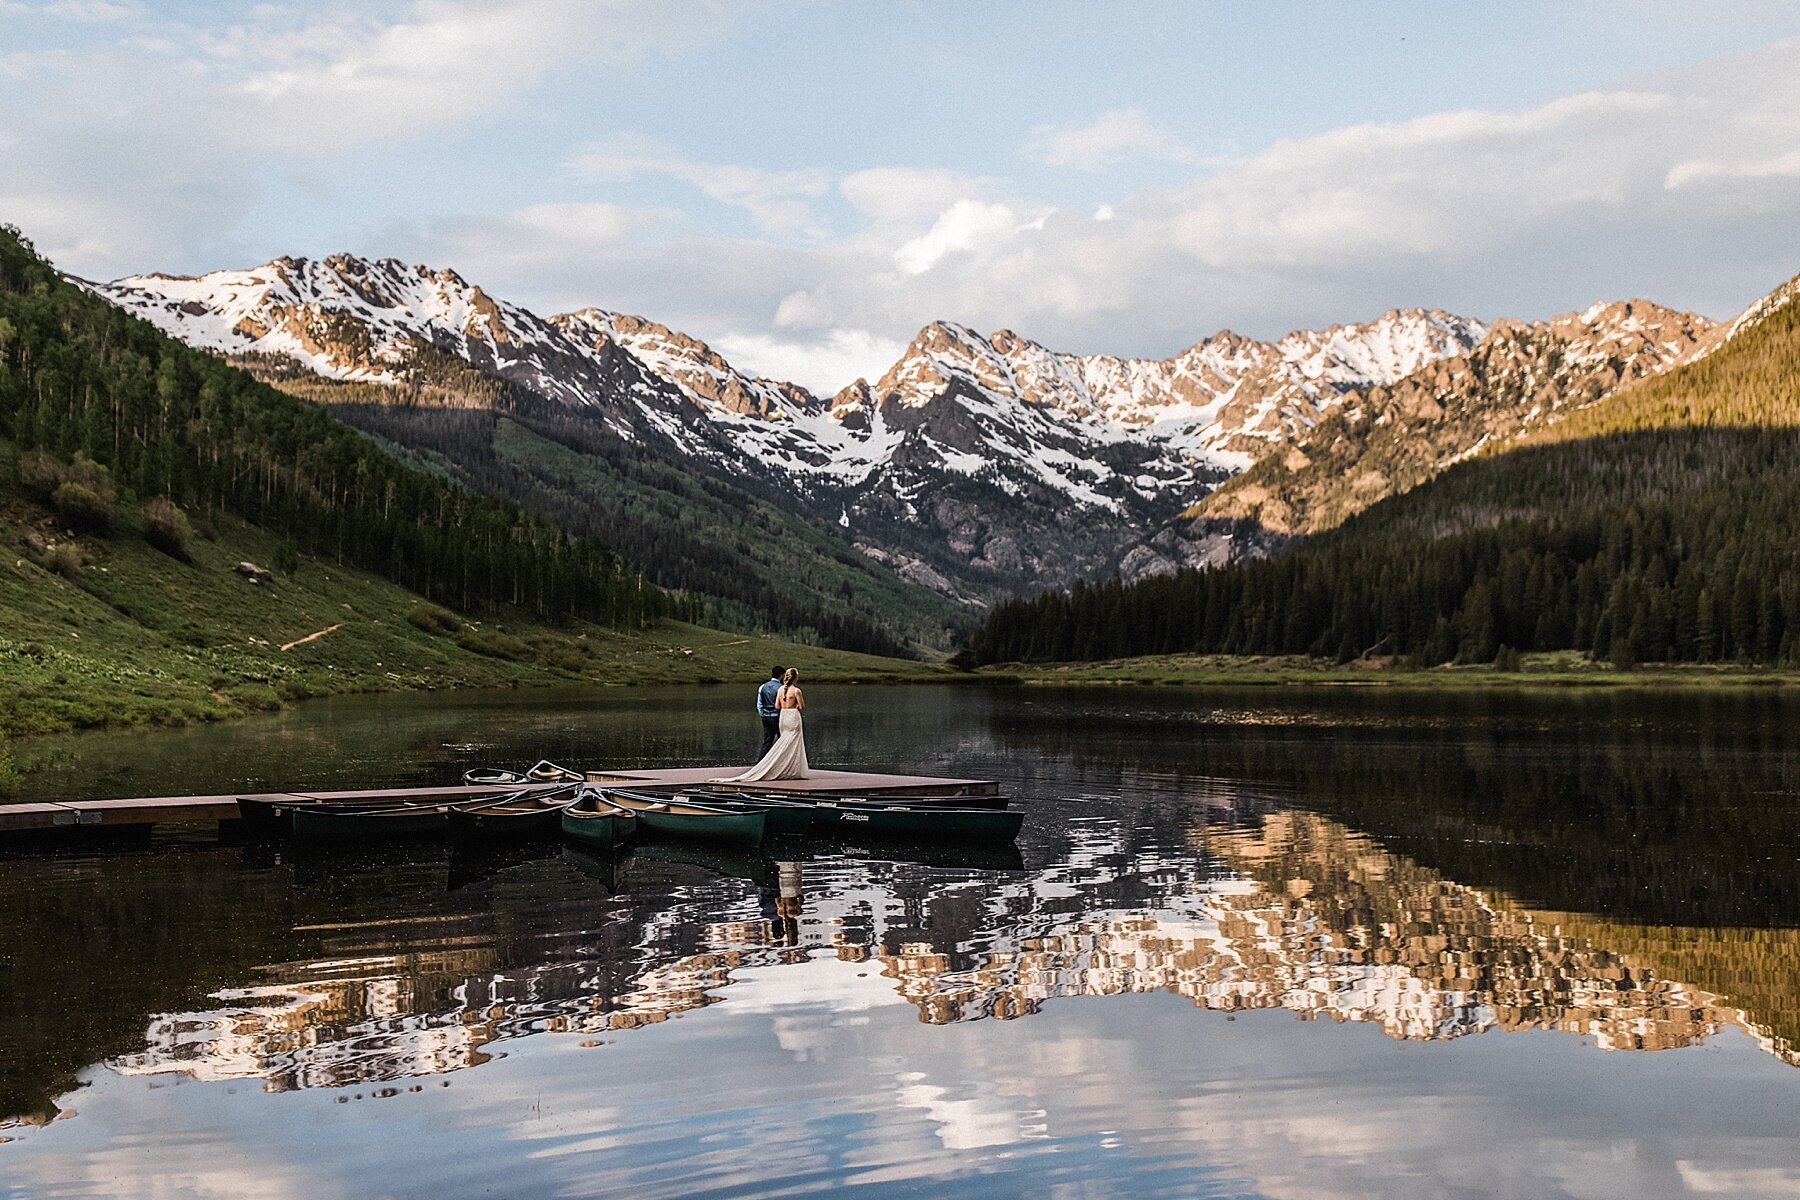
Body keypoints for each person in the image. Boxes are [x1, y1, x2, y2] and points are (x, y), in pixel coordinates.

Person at [720, 668, 808, 782]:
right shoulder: (796, 691)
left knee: (774, 742)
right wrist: (794, 706)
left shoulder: (774, 688)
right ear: (795, 677)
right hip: (792, 716)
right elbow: (801, 707)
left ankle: (765, 764)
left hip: (780, 717)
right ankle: (786, 768)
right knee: (793, 742)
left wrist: (764, 714)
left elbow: (776, 705)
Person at [756, 665, 784, 758]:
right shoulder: (781, 688)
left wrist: (762, 715)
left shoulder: (762, 687)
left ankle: (760, 764)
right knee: (782, 741)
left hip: (766, 717)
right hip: (777, 717)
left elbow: (759, 704)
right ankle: (778, 763)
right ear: (781, 675)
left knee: (766, 743)